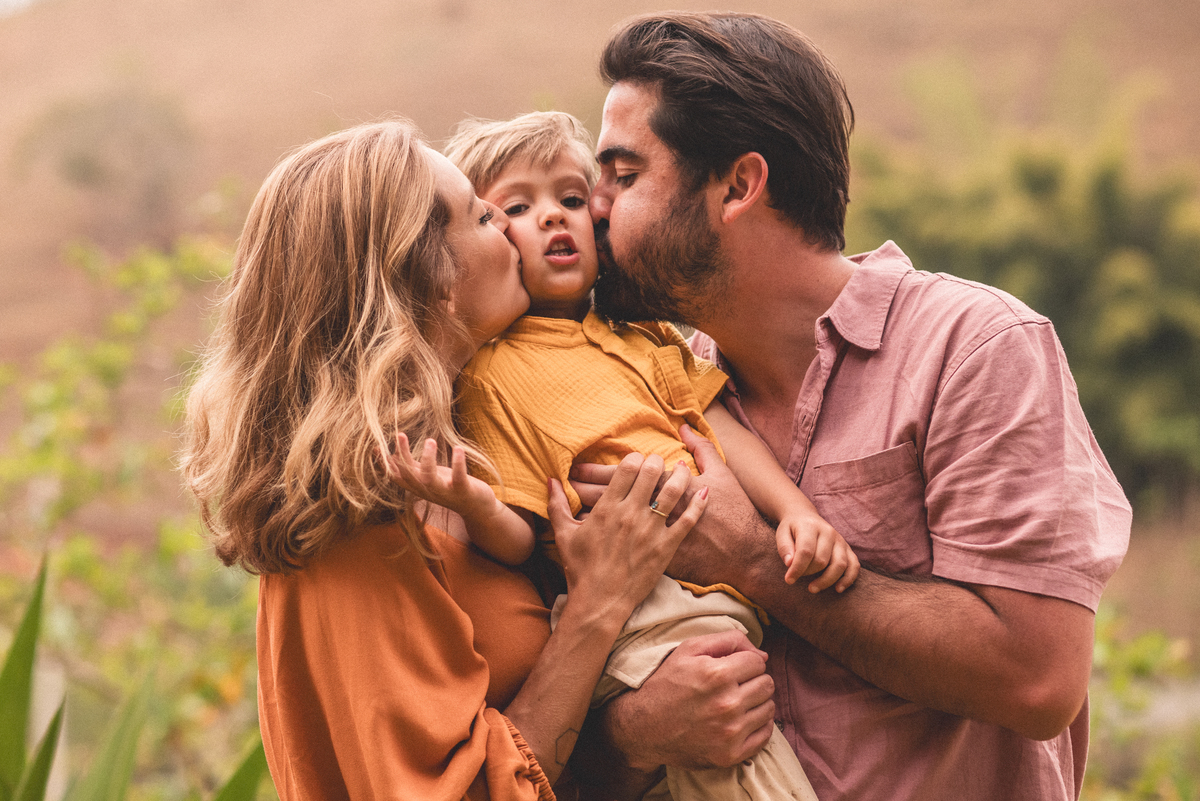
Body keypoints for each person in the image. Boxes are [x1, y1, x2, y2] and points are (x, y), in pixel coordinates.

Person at [569, 11, 1132, 801]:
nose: (590, 209)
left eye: (625, 177)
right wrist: (632, 733)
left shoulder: (973, 348)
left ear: (737, 185)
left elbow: (1038, 680)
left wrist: (755, 562)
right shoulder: (648, 396)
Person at [180, 118, 715, 800]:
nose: (518, 230)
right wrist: (598, 606)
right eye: (487, 214)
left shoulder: (465, 460)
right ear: (431, 276)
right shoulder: (354, 522)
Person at [386, 109, 856, 801]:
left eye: (573, 200)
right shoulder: (493, 373)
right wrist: (475, 502)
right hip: (645, 609)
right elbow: (525, 536)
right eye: (513, 208)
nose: (554, 218)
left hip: (727, 601)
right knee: (756, 776)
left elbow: (717, 429)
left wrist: (796, 512)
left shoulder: (647, 338)